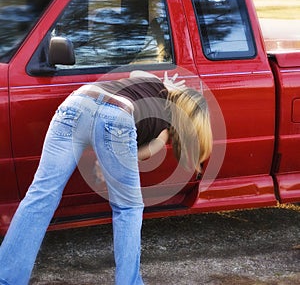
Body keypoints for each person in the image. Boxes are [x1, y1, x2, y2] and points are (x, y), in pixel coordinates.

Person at [0, 71, 213, 285]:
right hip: (117, 115)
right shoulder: (166, 124)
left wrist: (168, 82)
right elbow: (148, 151)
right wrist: (114, 160)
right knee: (128, 208)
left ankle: (6, 278)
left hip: (76, 102)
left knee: (41, 194)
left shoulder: (151, 81)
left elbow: (137, 72)